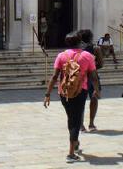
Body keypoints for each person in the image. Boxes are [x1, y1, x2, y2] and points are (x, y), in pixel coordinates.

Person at [44, 31, 99, 163]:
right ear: (80, 42)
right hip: (81, 91)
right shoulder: (87, 56)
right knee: (76, 120)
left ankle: (75, 141)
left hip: (64, 92)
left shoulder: (61, 56)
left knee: (71, 118)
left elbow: (54, 76)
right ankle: (71, 152)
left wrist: (47, 94)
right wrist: (96, 90)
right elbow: (93, 76)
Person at [79, 29, 103, 132]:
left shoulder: (78, 49)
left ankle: (80, 125)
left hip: (80, 77)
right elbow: (101, 64)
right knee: (94, 98)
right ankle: (91, 123)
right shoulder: (95, 48)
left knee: (80, 102)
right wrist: (91, 66)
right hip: (93, 76)